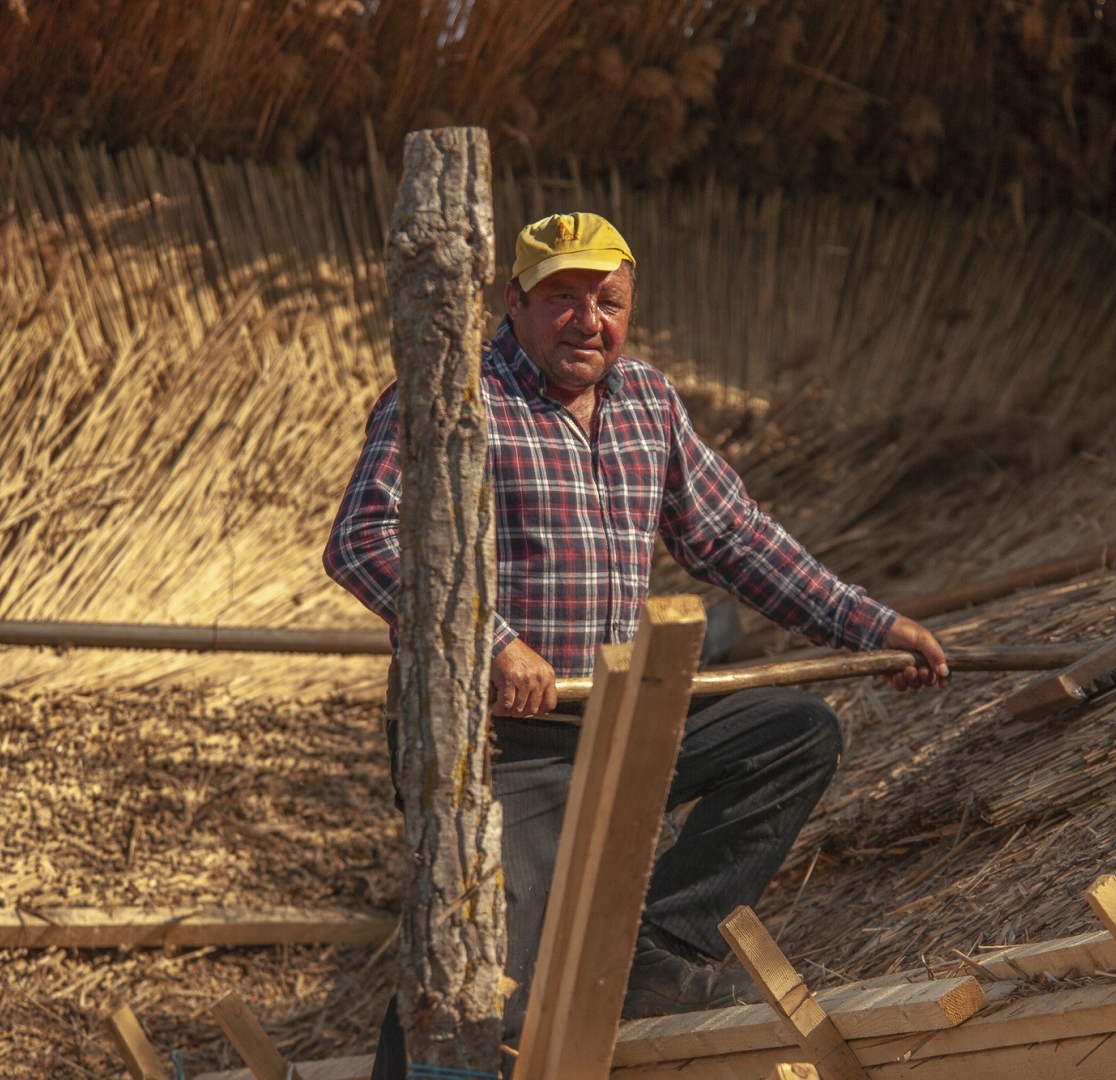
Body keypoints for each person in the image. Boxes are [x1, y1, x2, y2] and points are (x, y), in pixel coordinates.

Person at [324, 212, 947, 1070]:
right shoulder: (448, 397)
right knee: (493, 976)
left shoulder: (646, 401)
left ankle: (661, 947)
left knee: (792, 735)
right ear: (514, 303)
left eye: (608, 301)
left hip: (619, 726)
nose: (588, 321)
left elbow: (734, 538)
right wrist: (493, 644)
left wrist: (873, 624)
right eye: (563, 299)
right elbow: (362, 540)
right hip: (496, 742)